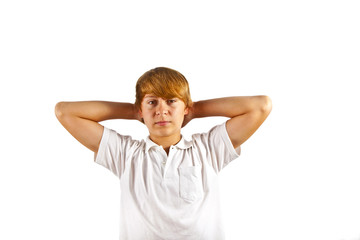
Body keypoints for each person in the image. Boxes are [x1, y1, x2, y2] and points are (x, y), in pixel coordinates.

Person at [55, 67, 272, 240]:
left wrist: (195, 110)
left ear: (185, 107)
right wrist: (133, 112)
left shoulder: (209, 148)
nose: (161, 111)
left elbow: (261, 106)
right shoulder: (125, 153)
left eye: (171, 101)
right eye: (152, 102)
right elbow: (65, 111)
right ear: (140, 110)